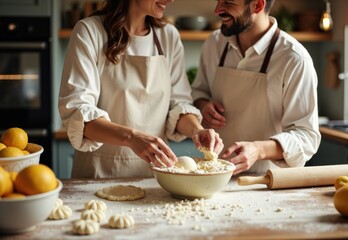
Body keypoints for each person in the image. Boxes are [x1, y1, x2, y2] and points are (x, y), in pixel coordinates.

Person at [58, 0, 223, 178]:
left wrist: (196, 130)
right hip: (98, 172)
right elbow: (78, 114)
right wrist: (131, 138)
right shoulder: (90, 32)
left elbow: (178, 105)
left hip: (155, 175)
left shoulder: (168, 36)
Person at [191, 0, 321, 175]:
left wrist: (259, 150)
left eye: (228, 3)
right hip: (215, 177)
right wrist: (203, 105)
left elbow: (306, 137)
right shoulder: (214, 43)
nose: (217, 10)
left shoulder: (294, 59)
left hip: (267, 182)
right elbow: (198, 92)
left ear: (258, 6)